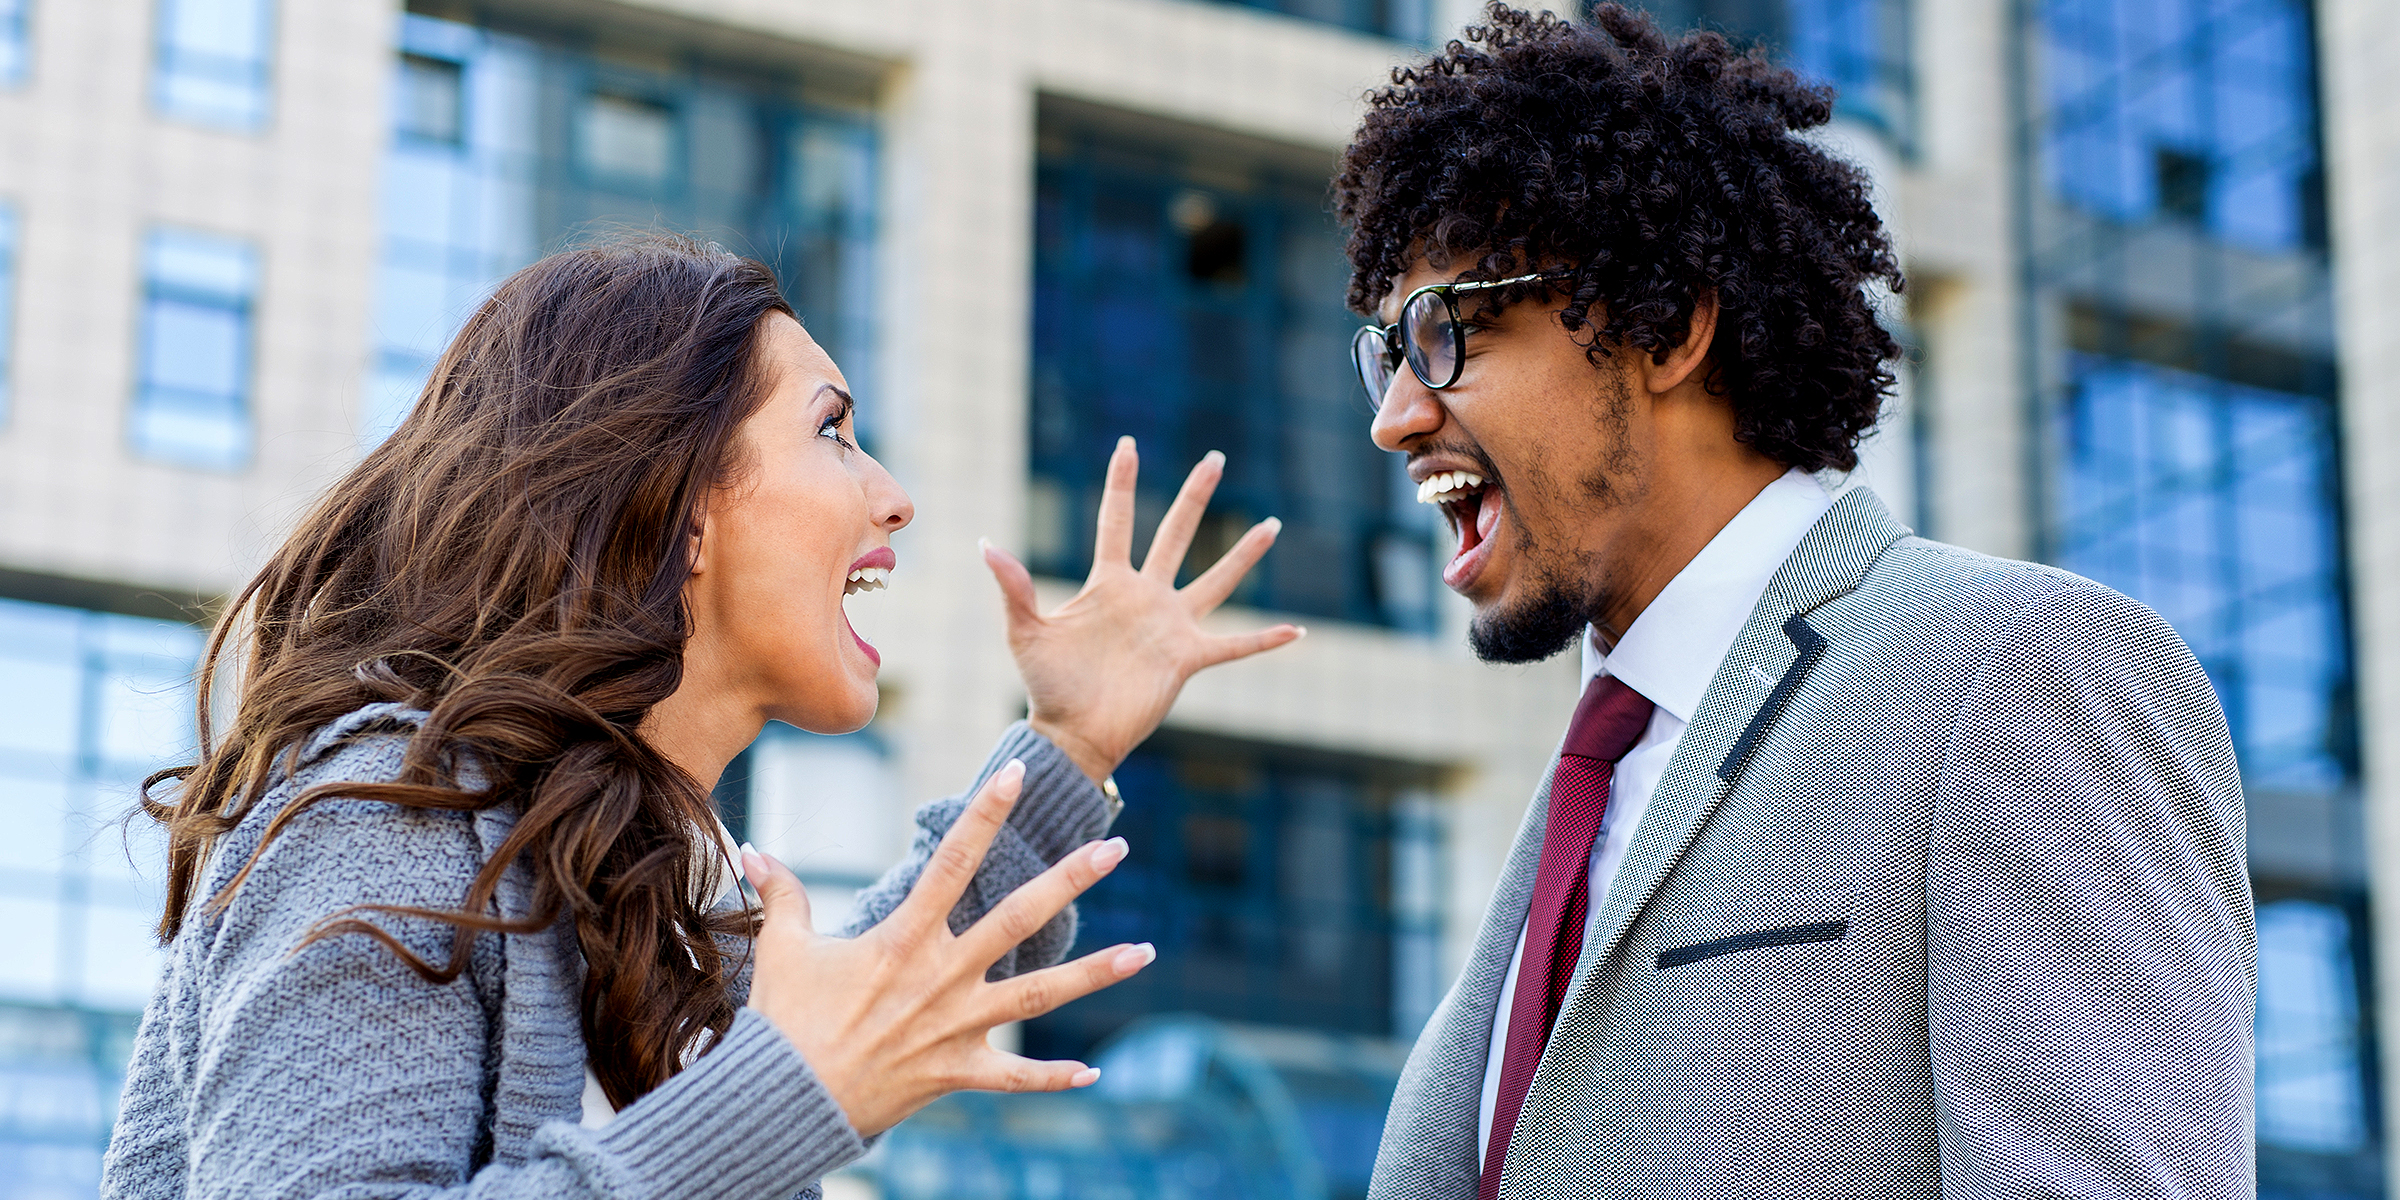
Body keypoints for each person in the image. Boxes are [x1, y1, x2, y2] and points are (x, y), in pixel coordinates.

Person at [100, 234, 1302, 1200]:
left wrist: (1072, 741)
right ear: (672, 497)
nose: (893, 496)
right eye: (832, 429)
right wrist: (777, 1099)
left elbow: (865, 1004)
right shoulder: (389, 811)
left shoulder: (646, 883)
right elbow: (780, 1087)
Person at [1336, 7, 2251, 1199]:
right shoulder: (1583, 798)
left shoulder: (2023, 671)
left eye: (1448, 330)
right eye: (1385, 351)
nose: (1395, 414)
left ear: (1666, 329)